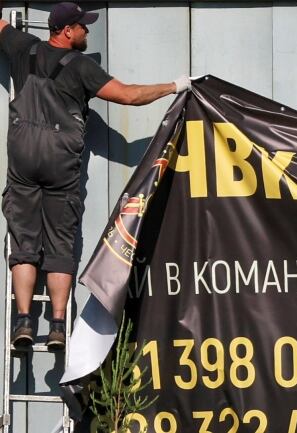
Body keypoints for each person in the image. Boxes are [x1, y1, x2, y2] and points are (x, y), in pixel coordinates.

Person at [0, 2, 190, 349]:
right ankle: (58, 325)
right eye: (83, 26)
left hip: (23, 159)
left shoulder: (20, 46)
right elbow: (130, 96)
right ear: (68, 31)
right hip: (60, 164)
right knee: (60, 245)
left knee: (24, 245)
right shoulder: (81, 68)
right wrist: (174, 87)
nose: (87, 31)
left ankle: (24, 321)